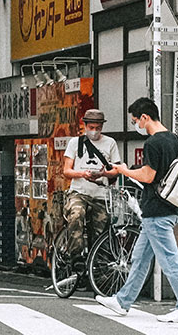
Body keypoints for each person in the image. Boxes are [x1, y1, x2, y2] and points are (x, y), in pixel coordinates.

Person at [96, 97, 178, 324]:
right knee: (140, 258)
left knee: (169, 261)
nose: (136, 125)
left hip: (156, 211)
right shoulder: (174, 139)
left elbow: (149, 176)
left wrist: (123, 170)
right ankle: (122, 301)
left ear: (144, 117)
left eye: (136, 121)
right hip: (169, 206)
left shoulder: (153, 143)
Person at [60, 109, 120, 257]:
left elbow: (116, 170)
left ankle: (96, 267)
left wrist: (103, 173)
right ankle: (75, 257)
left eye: (98, 128)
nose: (94, 131)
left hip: (100, 195)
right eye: (91, 128)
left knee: (100, 232)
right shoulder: (75, 143)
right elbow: (66, 171)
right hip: (79, 192)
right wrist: (82, 174)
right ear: (85, 126)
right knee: (76, 215)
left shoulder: (110, 143)